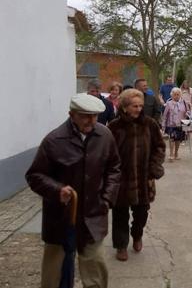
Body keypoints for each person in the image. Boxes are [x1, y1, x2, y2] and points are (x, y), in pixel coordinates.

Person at [25, 93, 121, 288]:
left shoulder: (104, 135)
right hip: (60, 218)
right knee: (55, 274)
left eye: (94, 115)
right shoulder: (54, 140)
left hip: (93, 216)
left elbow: (114, 168)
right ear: (71, 114)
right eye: (85, 115)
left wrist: (107, 199)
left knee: (95, 270)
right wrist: (56, 189)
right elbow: (35, 175)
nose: (91, 120)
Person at [107, 89, 165, 262]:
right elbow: (107, 153)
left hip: (144, 178)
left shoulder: (150, 124)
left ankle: (137, 235)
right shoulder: (114, 127)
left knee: (141, 214)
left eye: (140, 106)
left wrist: (154, 169)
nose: (138, 109)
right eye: (134, 106)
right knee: (120, 215)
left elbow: (160, 147)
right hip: (121, 180)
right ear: (124, 107)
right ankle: (121, 245)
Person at [162, 87, 191, 161]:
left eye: (178, 94)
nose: (176, 96)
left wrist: (188, 114)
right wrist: (163, 126)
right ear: (171, 95)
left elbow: (188, 112)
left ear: (180, 95)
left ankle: (176, 153)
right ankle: (171, 154)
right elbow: (165, 115)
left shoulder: (184, 103)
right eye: (174, 94)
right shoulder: (168, 103)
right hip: (171, 124)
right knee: (171, 139)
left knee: (178, 140)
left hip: (180, 124)